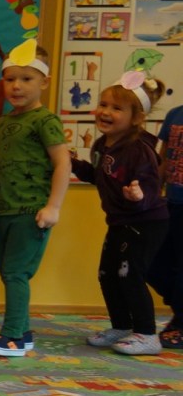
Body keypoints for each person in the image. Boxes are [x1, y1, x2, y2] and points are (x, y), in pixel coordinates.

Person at [0, 40, 70, 357]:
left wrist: (53, 206)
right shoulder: (6, 121)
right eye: (10, 79)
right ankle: (23, 332)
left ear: (44, 82)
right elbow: (3, 163)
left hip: (31, 211)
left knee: (17, 273)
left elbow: (62, 164)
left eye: (26, 79)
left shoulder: (45, 121)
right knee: (8, 272)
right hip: (4, 210)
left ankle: (12, 337)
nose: (16, 86)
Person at [71, 71, 170, 355]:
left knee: (130, 275)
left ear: (136, 118)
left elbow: (151, 184)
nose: (106, 112)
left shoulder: (139, 150)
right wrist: (75, 164)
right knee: (107, 274)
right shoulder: (102, 145)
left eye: (116, 108)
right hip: (120, 222)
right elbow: (98, 176)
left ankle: (147, 334)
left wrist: (139, 196)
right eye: (103, 104)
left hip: (146, 221)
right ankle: (122, 326)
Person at [148, 100, 183, 348]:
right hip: (171, 204)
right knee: (152, 263)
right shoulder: (175, 114)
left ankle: (180, 322)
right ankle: (180, 311)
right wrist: (152, 197)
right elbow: (162, 161)